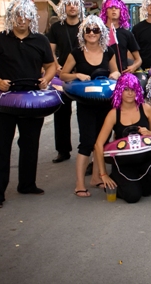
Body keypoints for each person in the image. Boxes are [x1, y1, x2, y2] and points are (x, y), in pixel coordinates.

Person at [0, 0, 57, 209]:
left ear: (32, 17)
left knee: (30, 144)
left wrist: (46, 79)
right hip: (3, 102)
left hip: (31, 101)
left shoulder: (40, 40)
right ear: (11, 17)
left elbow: (50, 65)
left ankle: (27, 184)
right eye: (17, 15)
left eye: (25, 15)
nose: (22, 19)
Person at [60, 15, 121, 198]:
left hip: (105, 103)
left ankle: (96, 177)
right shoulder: (76, 53)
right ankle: (79, 184)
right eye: (88, 30)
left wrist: (116, 74)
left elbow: (115, 70)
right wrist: (77, 75)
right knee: (86, 143)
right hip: (86, 104)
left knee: (101, 141)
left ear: (101, 32)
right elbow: (63, 75)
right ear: (83, 33)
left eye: (96, 30)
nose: (92, 33)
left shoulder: (108, 51)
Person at [95, 73, 151, 203]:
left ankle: (140, 186)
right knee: (133, 197)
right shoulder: (113, 114)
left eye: (133, 90)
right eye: (126, 90)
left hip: (145, 156)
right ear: (120, 91)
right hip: (123, 162)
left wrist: (149, 132)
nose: (130, 93)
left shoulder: (146, 109)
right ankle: (121, 181)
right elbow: (98, 144)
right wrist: (103, 175)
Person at [47, 0, 84, 164]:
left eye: (75, 4)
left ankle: (86, 148)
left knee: (84, 113)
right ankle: (63, 150)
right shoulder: (56, 28)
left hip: (84, 75)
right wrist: (55, 66)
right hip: (62, 76)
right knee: (61, 114)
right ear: (64, 7)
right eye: (68, 4)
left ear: (79, 7)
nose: (72, 7)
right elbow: (50, 50)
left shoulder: (86, 27)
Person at [100, 0, 142, 74]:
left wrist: (133, 67)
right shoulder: (98, 32)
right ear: (105, 11)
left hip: (122, 74)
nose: (113, 10)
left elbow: (138, 59)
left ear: (121, 11)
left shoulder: (127, 34)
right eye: (110, 7)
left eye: (116, 7)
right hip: (103, 75)